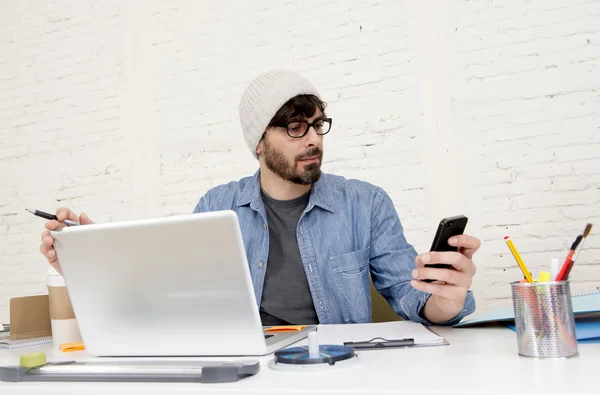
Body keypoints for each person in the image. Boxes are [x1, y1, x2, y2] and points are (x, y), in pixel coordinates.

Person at [39, 69, 479, 326]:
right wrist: (92, 261)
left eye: (317, 124)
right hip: (248, 371)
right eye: (294, 128)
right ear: (258, 143)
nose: (312, 140)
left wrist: (446, 299)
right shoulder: (217, 206)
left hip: (342, 372)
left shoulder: (365, 204)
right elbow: (169, 302)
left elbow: (412, 297)